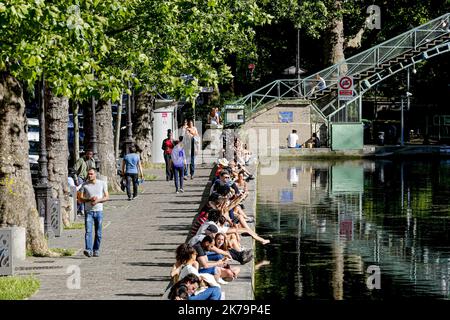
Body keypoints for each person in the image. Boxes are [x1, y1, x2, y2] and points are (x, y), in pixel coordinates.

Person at [80, 168, 109, 257]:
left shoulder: (102, 183)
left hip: (99, 211)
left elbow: (107, 197)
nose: (89, 175)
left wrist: (98, 201)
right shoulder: (84, 185)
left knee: (98, 232)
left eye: (91, 174)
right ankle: (88, 250)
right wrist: (89, 199)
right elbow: (80, 198)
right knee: (88, 231)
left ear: (95, 174)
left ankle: (96, 249)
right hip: (88, 211)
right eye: (88, 174)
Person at [73, 150, 96, 215]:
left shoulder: (92, 160)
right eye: (88, 154)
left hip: (88, 178)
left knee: (88, 194)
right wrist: (76, 179)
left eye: (91, 154)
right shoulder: (81, 160)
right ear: (86, 154)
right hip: (81, 178)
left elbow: (93, 170)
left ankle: (86, 208)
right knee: (81, 194)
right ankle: (81, 210)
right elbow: (74, 170)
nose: (89, 156)